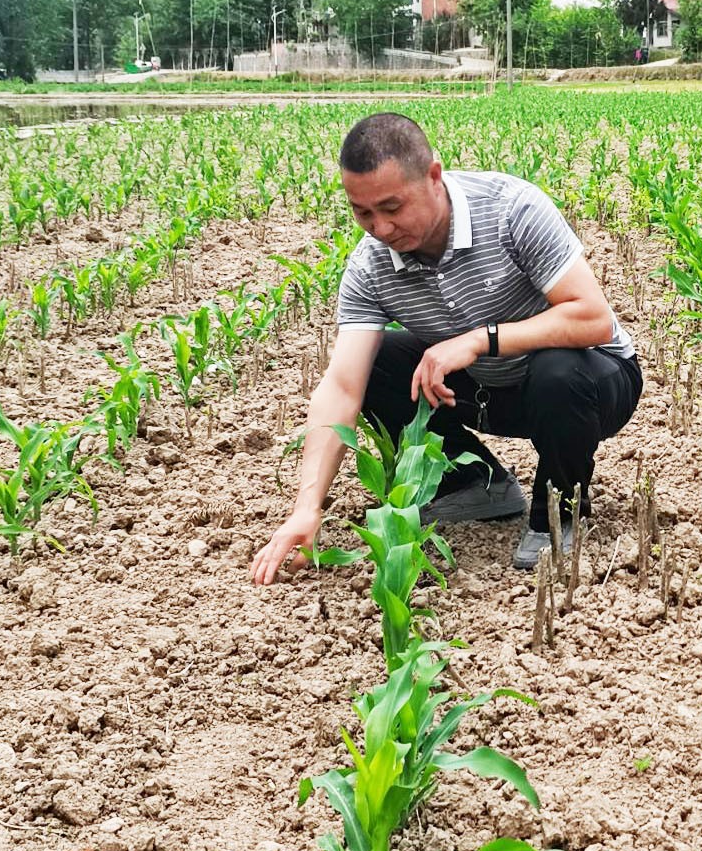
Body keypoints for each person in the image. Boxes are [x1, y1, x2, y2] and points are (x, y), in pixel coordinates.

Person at [250, 112, 642, 584]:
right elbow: (340, 388)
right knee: (375, 365)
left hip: (592, 385)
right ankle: (477, 484)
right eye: (363, 212)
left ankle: (558, 513)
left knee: (559, 371)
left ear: (434, 176)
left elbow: (593, 318)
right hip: (486, 393)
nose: (380, 228)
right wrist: (306, 507)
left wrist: (480, 339)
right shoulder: (370, 266)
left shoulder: (511, 208)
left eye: (393, 208)